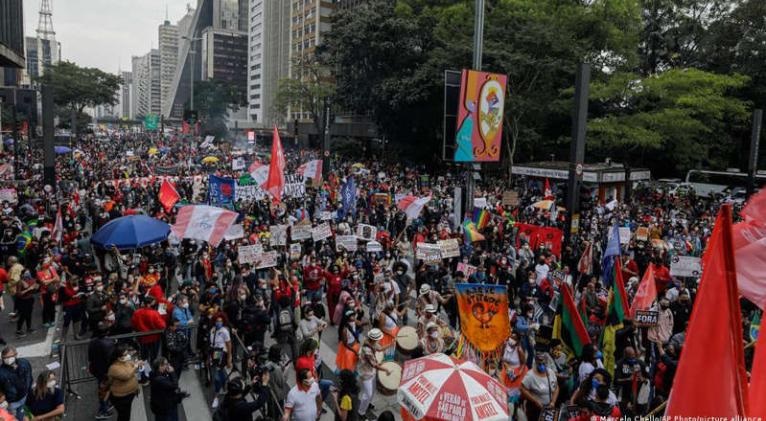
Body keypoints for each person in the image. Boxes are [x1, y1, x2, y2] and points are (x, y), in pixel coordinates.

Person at [131, 296, 167, 383]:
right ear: (148, 304)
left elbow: (133, 324)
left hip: (142, 338)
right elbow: (162, 326)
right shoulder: (154, 313)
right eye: (153, 303)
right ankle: (153, 375)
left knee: (143, 358)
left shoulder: (137, 312)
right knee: (154, 357)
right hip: (154, 338)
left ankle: (144, 377)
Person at [357, 329, 388, 420]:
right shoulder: (367, 350)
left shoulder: (371, 342)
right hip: (365, 373)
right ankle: (361, 412)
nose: (379, 340)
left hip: (371, 371)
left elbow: (379, 349)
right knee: (368, 393)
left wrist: (391, 343)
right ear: (373, 339)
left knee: (373, 390)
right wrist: (385, 369)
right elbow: (374, 364)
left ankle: (368, 404)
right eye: (378, 339)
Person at [88, 322, 116, 419]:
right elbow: (111, 359)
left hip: (96, 370)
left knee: (104, 389)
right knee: (104, 391)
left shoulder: (92, 342)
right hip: (106, 371)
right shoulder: (109, 343)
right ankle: (102, 410)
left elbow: (90, 357)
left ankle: (106, 405)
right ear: (107, 332)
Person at [520, 351, 558, 421]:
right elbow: (522, 388)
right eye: (540, 363)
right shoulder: (530, 375)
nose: (542, 365)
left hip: (548, 408)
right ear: (536, 363)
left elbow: (556, 388)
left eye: (544, 363)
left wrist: (553, 402)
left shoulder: (551, 372)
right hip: (535, 409)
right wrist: (535, 401)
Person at [107, 344, 141, 421]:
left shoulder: (125, 361)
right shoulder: (113, 368)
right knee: (124, 416)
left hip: (129, 394)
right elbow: (127, 375)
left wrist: (137, 364)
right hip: (121, 397)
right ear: (118, 357)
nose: (127, 356)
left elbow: (131, 364)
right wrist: (135, 367)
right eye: (125, 355)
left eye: (127, 354)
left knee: (126, 414)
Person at [149, 357, 187, 421]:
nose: (168, 365)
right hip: (165, 409)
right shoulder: (159, 379)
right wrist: (172, 372)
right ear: (160, 366)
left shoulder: (159, 374)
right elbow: (174, 385)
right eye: (166, 364)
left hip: (165, 406)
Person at [0, 346, 32, 420]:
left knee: (26, 416)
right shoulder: (1, 373)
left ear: (16, 354)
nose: (7, 359)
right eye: (5, 358)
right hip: (12, 403)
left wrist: (29, 391)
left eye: (10, 356)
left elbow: (29, 377)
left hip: (25, 396)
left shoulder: (24, 363)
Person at [209, 316, 232, 409]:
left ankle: (216, 396)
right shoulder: (212, 329)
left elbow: (229, 345)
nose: (219, 323)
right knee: (219, 371)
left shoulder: (225, 331)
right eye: (217, 321)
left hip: (220, 352)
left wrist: (229, 358)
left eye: (221, 321)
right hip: (214, 351)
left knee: (217, 376)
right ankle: (225, 386)